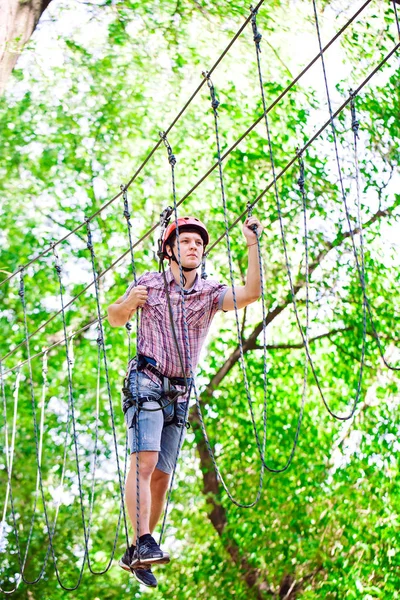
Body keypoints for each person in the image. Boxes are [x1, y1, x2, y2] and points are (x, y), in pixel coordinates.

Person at [107, 214, 263, 587]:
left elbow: (252, 293)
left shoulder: (211, 292)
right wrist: (129, 303)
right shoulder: (149, 283)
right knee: (143, 461)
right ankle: (145, 539)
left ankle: (136, 547)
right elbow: (113, 318)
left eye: (198, 243)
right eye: (185, 242)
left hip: (178, 392)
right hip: (146, 378)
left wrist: (253, 244)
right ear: (169, 250)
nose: (193, 247)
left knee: (161, 476)